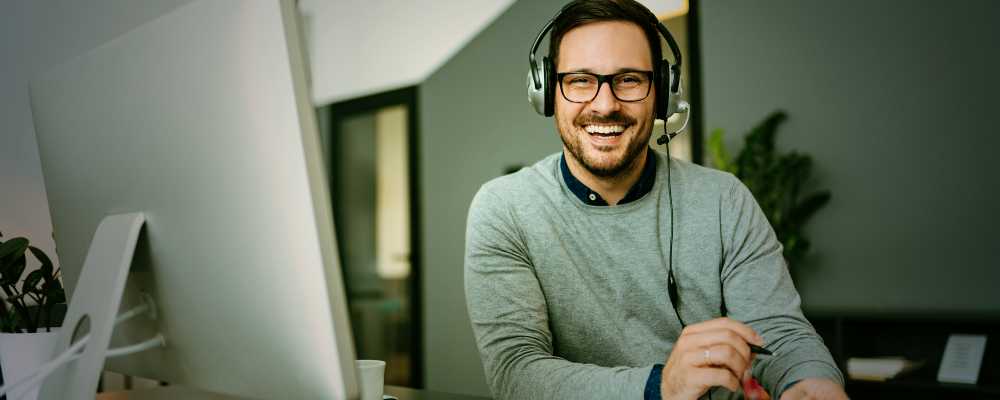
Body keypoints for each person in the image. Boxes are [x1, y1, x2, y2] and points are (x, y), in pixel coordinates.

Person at [463, 0, 850, 399]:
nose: (605, 104)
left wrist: (807, 382)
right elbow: (517, 374)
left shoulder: (724, 199)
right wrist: (661, 387)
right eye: (580, 80)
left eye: (629, 79)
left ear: (662, 92)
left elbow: (779, 334)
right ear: (546, 92)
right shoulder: (504, 209)